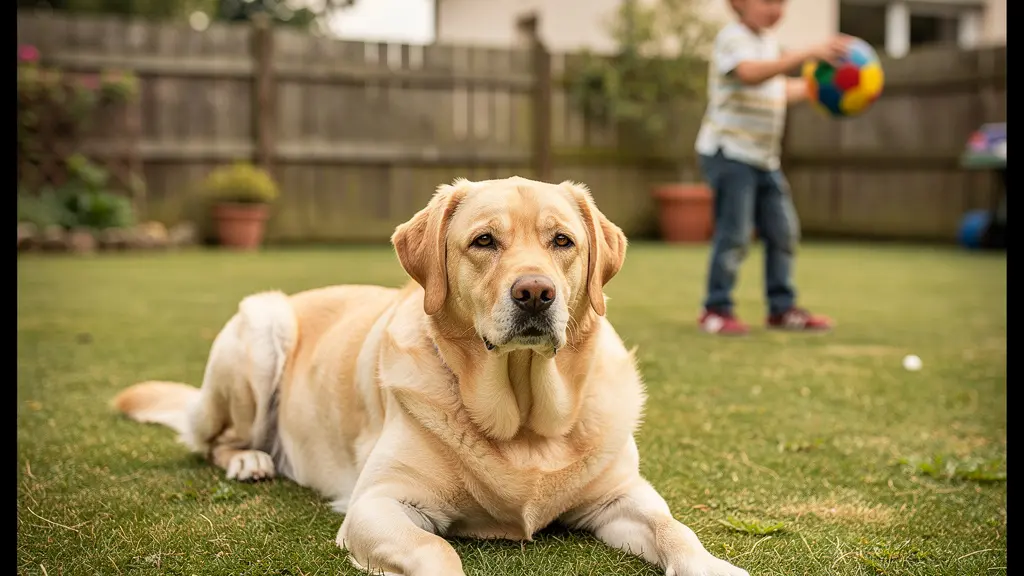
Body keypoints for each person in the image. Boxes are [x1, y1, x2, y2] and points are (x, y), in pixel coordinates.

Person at [694, 0, 849, 336]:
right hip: (730, 153)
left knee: (783, 232)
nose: (776, 9)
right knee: (734, 234)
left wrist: (824, 87)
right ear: (738, 3)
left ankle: (782, 308)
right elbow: (750, 74)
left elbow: (777, 88)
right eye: (767, 1)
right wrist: (807, 54)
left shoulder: (768, 45)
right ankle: (715, 309)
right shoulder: (732, 38)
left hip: (764, 159)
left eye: (782, 2)